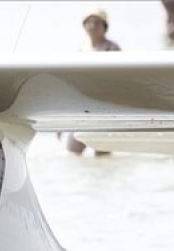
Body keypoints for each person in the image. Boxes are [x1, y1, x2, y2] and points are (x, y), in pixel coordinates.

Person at [64, 8, 120, 155]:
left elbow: (119, 81)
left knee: (102, 154)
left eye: (96, 22)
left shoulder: (112, 49)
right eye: (89, 22)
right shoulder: (81, 50)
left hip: (104, 108)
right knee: (72, 153)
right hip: (81, 107)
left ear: (104, 26)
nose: (92, 26)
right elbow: (72, 83)